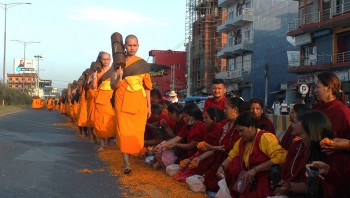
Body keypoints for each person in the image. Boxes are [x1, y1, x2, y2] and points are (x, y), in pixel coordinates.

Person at [217, 111, 287, 197]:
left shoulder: (265, 137)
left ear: (252, 127)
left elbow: (281, 158)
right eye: (238, 131)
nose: (240, 134)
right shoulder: (242, 141)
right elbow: (232, 155)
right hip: (250, 182)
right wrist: (222, 167)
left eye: (242, 131)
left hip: (267, 183)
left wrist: (255, 170)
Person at [111, 34, 152, 174]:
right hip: (122, 100)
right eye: (129, 45)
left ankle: (130, 155)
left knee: (136, 132)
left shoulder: (142, 64)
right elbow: (113, 86)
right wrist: (119, 76)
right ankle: (126, 162)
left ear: (138, 46)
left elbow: (147, 87)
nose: (132, 48)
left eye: (135, 45)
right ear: (124, 46)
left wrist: (149, 106)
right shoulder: (117, 64)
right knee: (123, 131)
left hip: (139, 102)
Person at [313, 71, 350, 139]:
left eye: (317, 87)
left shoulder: (343, 112)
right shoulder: (316, 107)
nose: (314, 90)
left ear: (328, 88)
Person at [91, 52, 116, 150]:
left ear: (110, 60)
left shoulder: (114, 70)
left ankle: (110, 141)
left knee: (111, 120)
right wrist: (94, 77)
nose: (105, 61)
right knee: (100, 120)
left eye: (107, 59)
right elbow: (93, 87)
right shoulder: (98, 71)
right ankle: (102, 143)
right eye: (103, 59)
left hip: (111, 97)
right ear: (100, 60)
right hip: (100, 98)